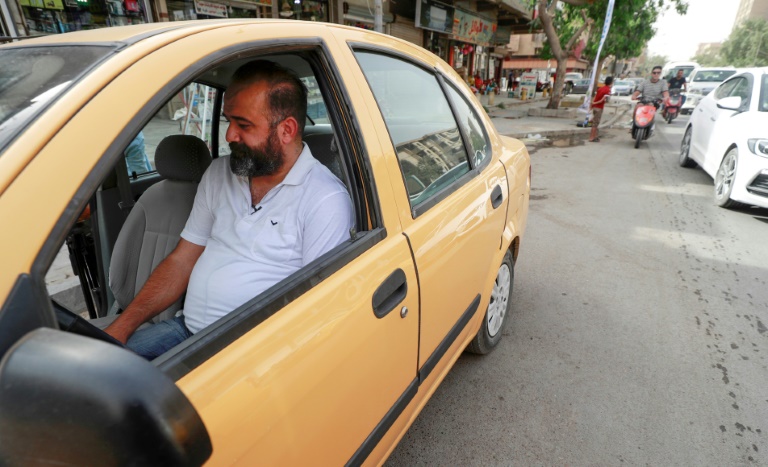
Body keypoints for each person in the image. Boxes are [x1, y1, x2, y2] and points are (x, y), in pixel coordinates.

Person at [105, 60, 355, 359]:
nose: (229, 136)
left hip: (252, 355)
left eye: (244, 125)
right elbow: (183, 260)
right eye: (228, 122)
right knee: (94, 370)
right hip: (186, 330)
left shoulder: (325, 200)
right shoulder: (218, 174)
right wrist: (121, 328)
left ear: (287, 130)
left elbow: (317, 312)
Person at [589, 76, 613, 143]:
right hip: (599, 107)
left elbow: (595, 97)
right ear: (611, 82)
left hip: (595, 107)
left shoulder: (600, 88)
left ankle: (595, 136)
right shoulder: (608, 90)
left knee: (594, 122)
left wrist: (592, 105)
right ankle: (592, 137)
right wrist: (594, 102)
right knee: (595, 123)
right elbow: (602, 100)